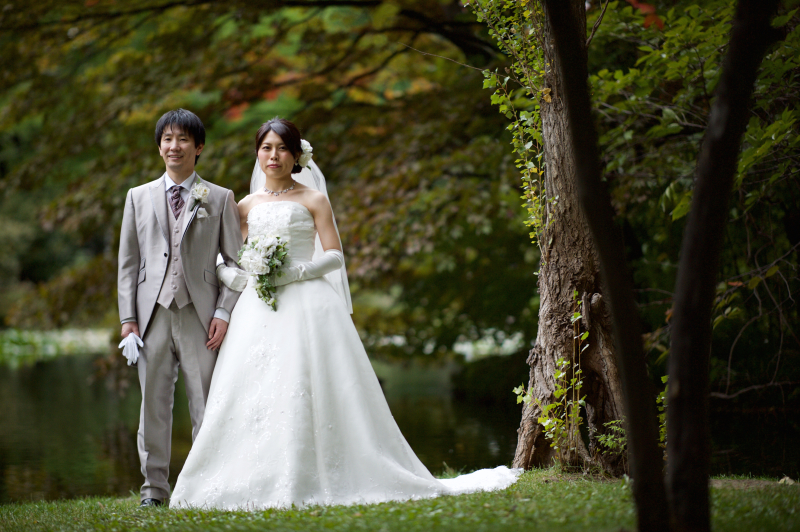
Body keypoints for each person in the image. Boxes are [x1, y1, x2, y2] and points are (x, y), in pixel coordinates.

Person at [170, 118, 519, 510]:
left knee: (309, 382)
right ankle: (252, 474)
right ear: (257, 154)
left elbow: (335, 255)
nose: (273, 156)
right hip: (257, 306)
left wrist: (296, 271)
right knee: (250, 388)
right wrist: (236, 273)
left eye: (282, 148)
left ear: (296, 155)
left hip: (307, 303)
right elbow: (222, 255)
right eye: (266, 148)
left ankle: (320, 471)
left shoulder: (314, 199)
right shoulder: (243, 206)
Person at [117, 109, 244, 507]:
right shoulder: (137, 197)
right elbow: (128, 263)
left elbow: (237, 263)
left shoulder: (220, 198)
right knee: (152, 406)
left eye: (183, 139)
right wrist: (128, 319)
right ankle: (154, 491)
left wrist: (223, 313)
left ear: (199, 146)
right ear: (159, 146)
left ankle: (207, 488)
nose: (175, 146)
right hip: (151, 315)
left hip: (201, 316)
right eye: (168, 139)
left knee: (206, 403)